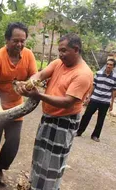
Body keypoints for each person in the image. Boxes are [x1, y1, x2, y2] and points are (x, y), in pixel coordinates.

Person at [18, 33, 93, 190]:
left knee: (52, 162)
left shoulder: (83, 74)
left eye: (64, 50)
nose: (60, 54)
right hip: (48, 117)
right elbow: (41, 74)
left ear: (76, 49)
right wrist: (30, 83)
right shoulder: (59, 63)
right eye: (59, 50)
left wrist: (38, 95)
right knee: (40, 157)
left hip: (64, 122)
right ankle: (36, 186)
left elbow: (67, 102)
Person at [0, 22, 37, 189]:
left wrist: (30, 86)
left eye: (23, 41)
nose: (19, 44)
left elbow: (34, 76)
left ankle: (0, 169)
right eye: (15, 40)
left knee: (13, 143)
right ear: (7, 40)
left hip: (15, 107)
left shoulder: (28, 55)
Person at [76, 59, 116, 142]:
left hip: (105, 101)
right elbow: (93, 86)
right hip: (94, 99)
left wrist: (111, 103)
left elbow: (113, 91)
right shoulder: (98, 73)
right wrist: (88, 97)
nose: (108, 66)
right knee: (86, 116)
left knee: (101, 119)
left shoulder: (115, 77)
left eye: (111, 65)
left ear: (113, 66)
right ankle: (79, 131)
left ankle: (95, 135)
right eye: (107, 64)